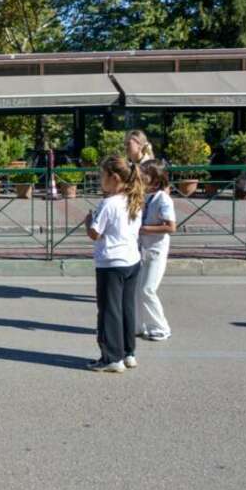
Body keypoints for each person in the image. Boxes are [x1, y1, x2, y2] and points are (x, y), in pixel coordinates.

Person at [84, 155, 144, 373]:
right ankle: (128, 352)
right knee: (127, 308)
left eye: (102, 175)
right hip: (132, 259)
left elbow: (95, 233)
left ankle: (111, 357)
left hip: (111, 262)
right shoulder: (134, 199)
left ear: (114, 178)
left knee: (109, 310)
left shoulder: (108, 203)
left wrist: (88, 222)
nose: (100, 179)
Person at [138, 160, 175, 341]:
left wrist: (144, 229)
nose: (140, 177)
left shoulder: (163, 199)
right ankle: (138, 325)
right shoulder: (145, 196)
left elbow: (171, 227)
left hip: (156, 250)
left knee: (147, 289)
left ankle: (161, 327)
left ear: (155, 178)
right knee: (137, 289)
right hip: (142, 248)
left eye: (144, 174)